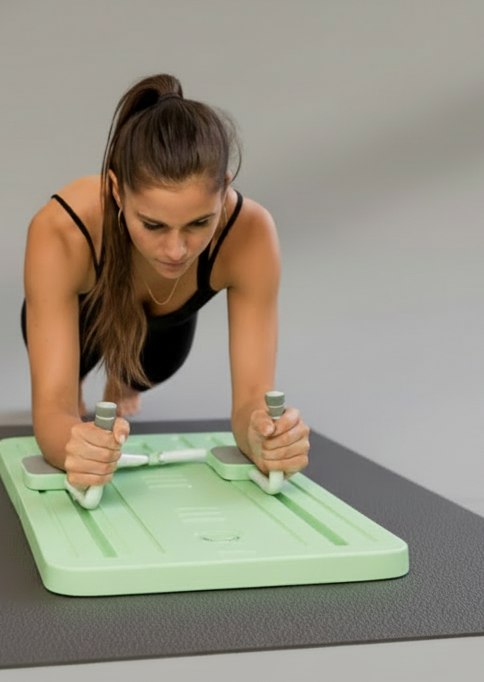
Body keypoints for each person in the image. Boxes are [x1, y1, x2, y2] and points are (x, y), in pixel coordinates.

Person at [20, 73, 310, 492]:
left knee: (153, 365)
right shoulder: (60, 230)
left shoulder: (252, 233)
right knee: (73, 403)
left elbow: (252, 398)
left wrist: (265, 437)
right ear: (118, 193)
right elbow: (50, 411)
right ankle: (92, 387)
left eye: (199, 223)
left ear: (223, 191)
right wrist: (74, 442)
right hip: (86, 320)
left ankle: (123, 382)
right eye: (153, 224)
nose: (176, 250)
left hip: (164, 331)